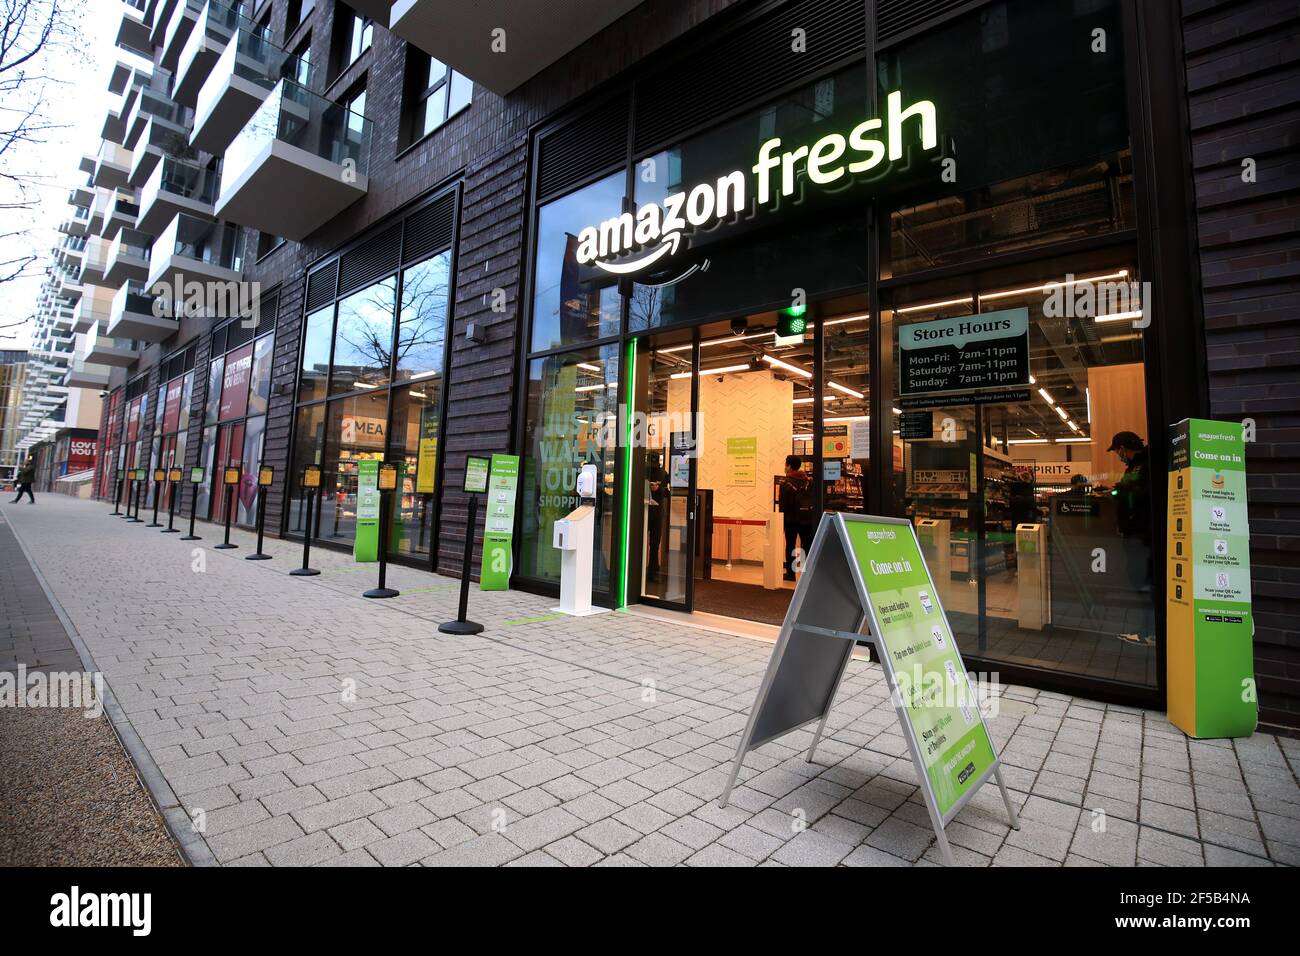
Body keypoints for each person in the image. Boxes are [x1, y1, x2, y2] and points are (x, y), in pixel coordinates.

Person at [1108, 430, 1154, 643]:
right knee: (1141, 581)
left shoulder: (1147, 465)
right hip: (1135, 533)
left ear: (1123, 448)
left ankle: (1148, 632)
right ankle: (1148, 630)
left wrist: (1123, 489)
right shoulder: (1134, 467)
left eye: (1117, 451)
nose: (1118, 455)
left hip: (1142, 534)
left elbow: (1147, 494)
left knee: (1144, 582)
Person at [778, 454, 815, 581]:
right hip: (806, 518)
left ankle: (790, 573)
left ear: (788, 466)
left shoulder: (785, 483)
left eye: (785, 464)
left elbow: (782, 505)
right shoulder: (809, 482)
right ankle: (806, 573)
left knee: (791, 545)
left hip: (790, 520)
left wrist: (781, 521)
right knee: (807, 545)